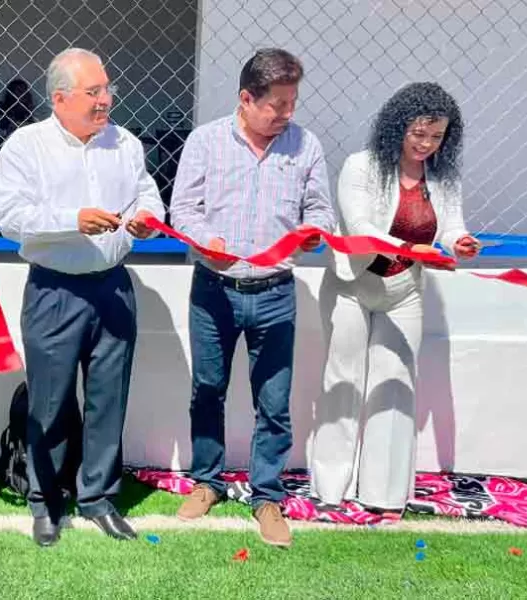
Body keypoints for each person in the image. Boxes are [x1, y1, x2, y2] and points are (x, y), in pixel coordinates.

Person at [0, 48, 164, 547]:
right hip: (54, 289)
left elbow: (146, 193)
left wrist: (147, 219)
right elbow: (10, 217)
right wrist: (74, 220)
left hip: (113, 285)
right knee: (50, 400)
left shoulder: (126, 144)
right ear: (60, 98)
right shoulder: (26, 147)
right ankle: (45, 501)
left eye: (108, 89)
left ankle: (98, 497)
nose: (105, 100)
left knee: (110, 396)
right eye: (94, 92)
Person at [170, 48, 335, 548]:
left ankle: (266, 497)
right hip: (214, 290)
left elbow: (321, 213)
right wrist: (204, 239)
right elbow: (183, 210)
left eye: (292, 103)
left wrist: (313, 233)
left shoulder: (305, 147)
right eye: (278, 104)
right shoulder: (204, 143)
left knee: (274, 402)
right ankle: (207, 482)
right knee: (207, 390)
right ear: (246, 98)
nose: (287, 113)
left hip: (276, 294)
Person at [311, 82, 477, 514]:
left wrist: (461, 242)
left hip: (405, 292)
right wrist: (412, 249)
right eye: (418, 133)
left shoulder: (442, 176)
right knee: (344, 382)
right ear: (397, 127)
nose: (426, 144)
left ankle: (384, 495)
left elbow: (451, 225)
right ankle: (330, 490)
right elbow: (362, 227)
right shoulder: (361, 166)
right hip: (352, 285)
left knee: (396, 385)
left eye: (437, 136)